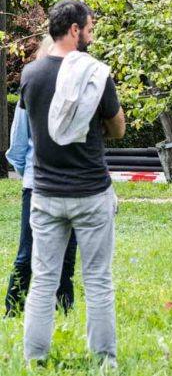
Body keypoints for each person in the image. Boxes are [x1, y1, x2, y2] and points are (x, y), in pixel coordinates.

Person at [21, 0, 125, 368]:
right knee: (97, 280)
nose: (92, 37)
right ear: (74, 30)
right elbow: (118, 128)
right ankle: (105, 362)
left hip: (46, 192)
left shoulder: (30, 74)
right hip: (90, 191)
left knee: (43, 281)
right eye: (90, 30)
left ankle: (34, 359)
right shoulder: (95, 74)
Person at [5, 38, 78, 317]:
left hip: (58, 184)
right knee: (31, 254)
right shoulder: (32, 91)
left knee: (60, 257)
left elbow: (17, 148)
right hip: (44, 185)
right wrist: (31, 176)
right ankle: (15, 311)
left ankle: (61, 312)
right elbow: (17, 146)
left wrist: (29, 174)